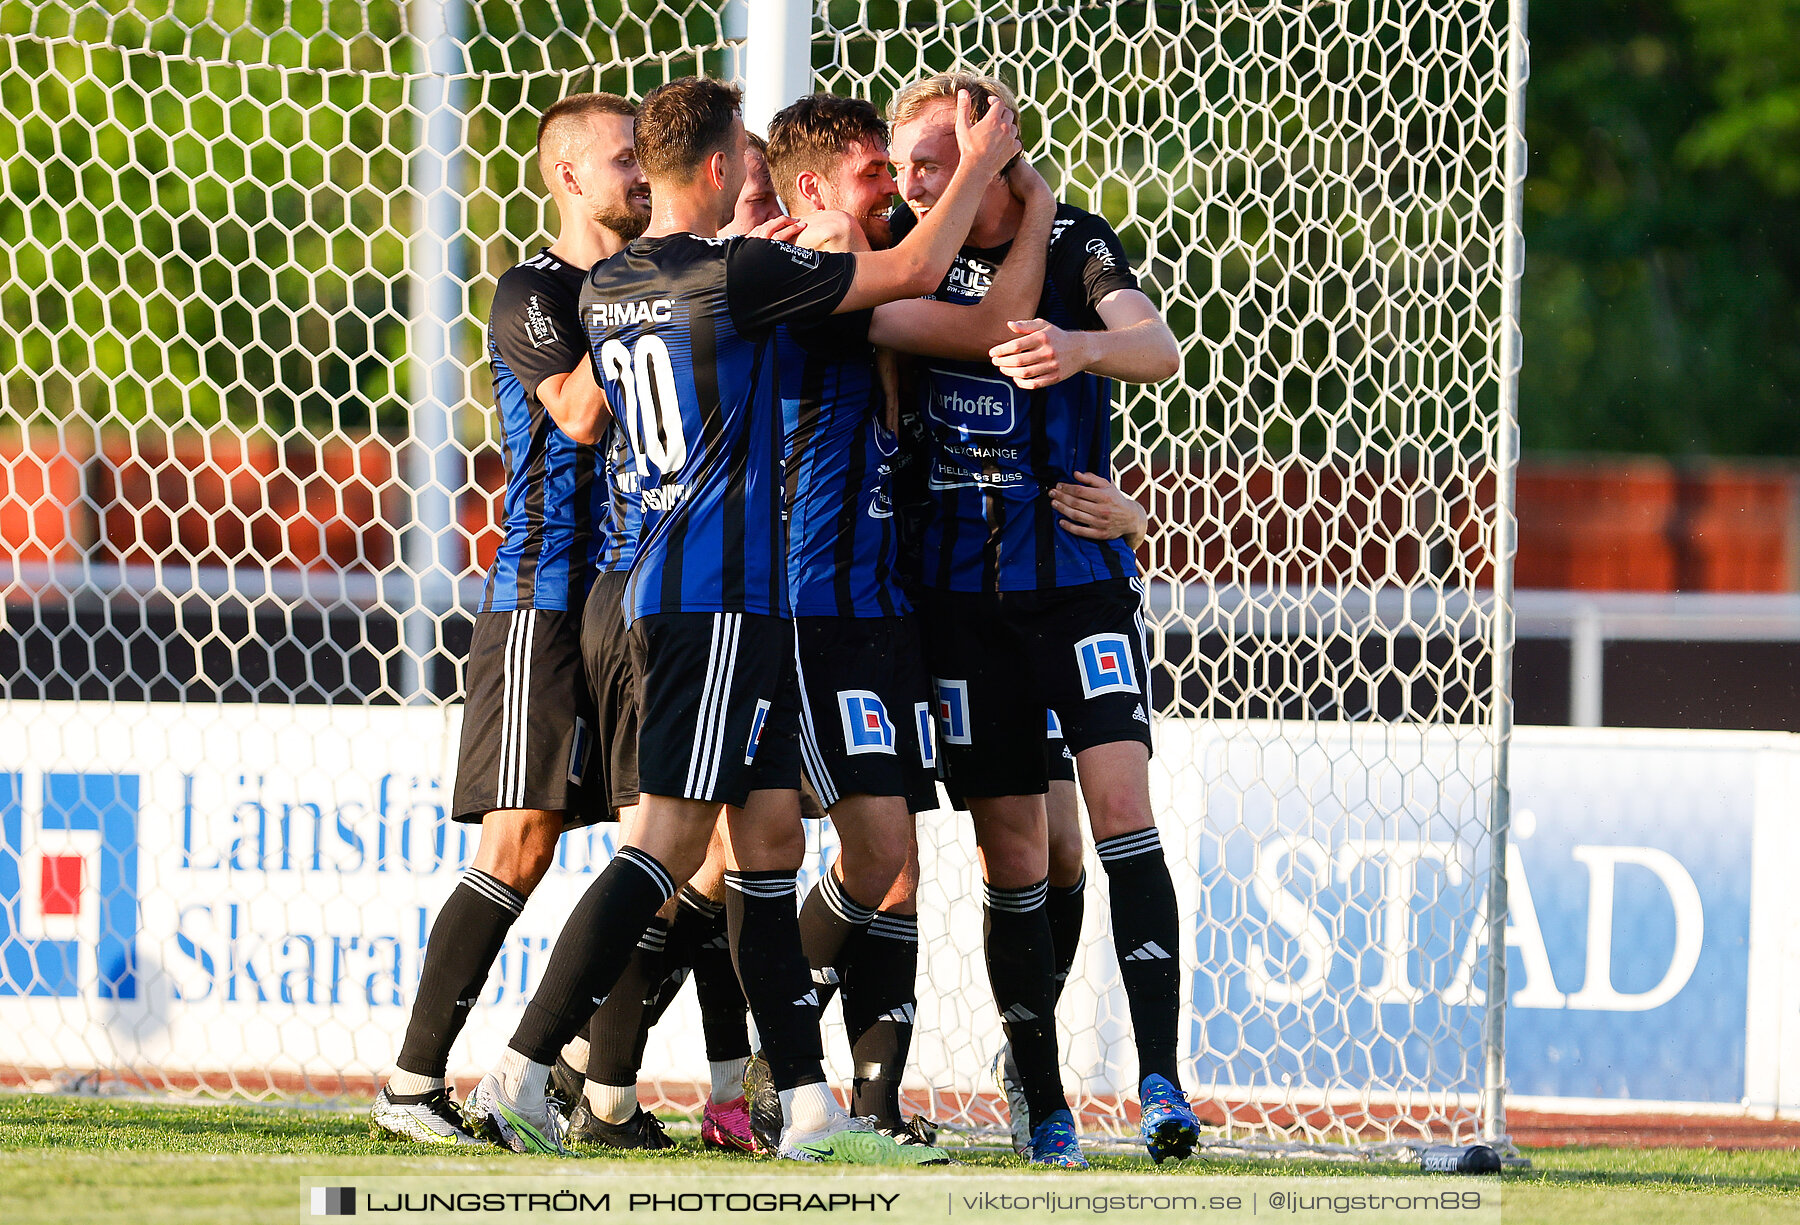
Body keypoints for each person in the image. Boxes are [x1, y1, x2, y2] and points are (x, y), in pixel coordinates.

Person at [464, 75, 1022, 1163]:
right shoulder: (734, 272)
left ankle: (806, 1110)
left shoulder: (617, 279)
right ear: (720, 170)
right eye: (748, 169)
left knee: (765, 852)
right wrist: (986, 162)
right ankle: (524, 1070)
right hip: (716, 596)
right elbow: (910, 269)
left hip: (690, 587)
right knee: (664, 847)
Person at [887, 71, 1198, 1167]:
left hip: (1074, 580)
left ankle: (1161, 1079)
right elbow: (972, 326)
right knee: (1018, 853)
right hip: (961, 604)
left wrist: (1081, 351)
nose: (917, 182)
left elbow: (1153, 346)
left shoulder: (1076, 238)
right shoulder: (900, 254)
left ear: (998, 149)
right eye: (911, 165)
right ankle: (1042, 1093)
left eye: (935, 159)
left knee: (1121, 808)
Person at [754, 91, 1055, 1157]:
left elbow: (988, 328)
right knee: (791, 861)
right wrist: (981, 164)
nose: (892, 187)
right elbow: (941, 289)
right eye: (875, 170)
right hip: (810, 612)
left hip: (885, 613)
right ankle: (748, 1069)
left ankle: (868, 1104)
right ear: (816, 192)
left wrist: (1041, 209)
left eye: (898, 168)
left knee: (897, 866)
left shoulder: (882, 286)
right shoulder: (820, 268)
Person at [367, 92, 646, 1146]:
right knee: (520, 841)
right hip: (539, 597)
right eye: (624, 159)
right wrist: (651, 304)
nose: (640, 176)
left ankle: (585, 1077)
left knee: (670, 841)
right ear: (571, 177)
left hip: (628, 601)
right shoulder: (535, 288)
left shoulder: (646, 283)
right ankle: (412, 1085)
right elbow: (576, 412)